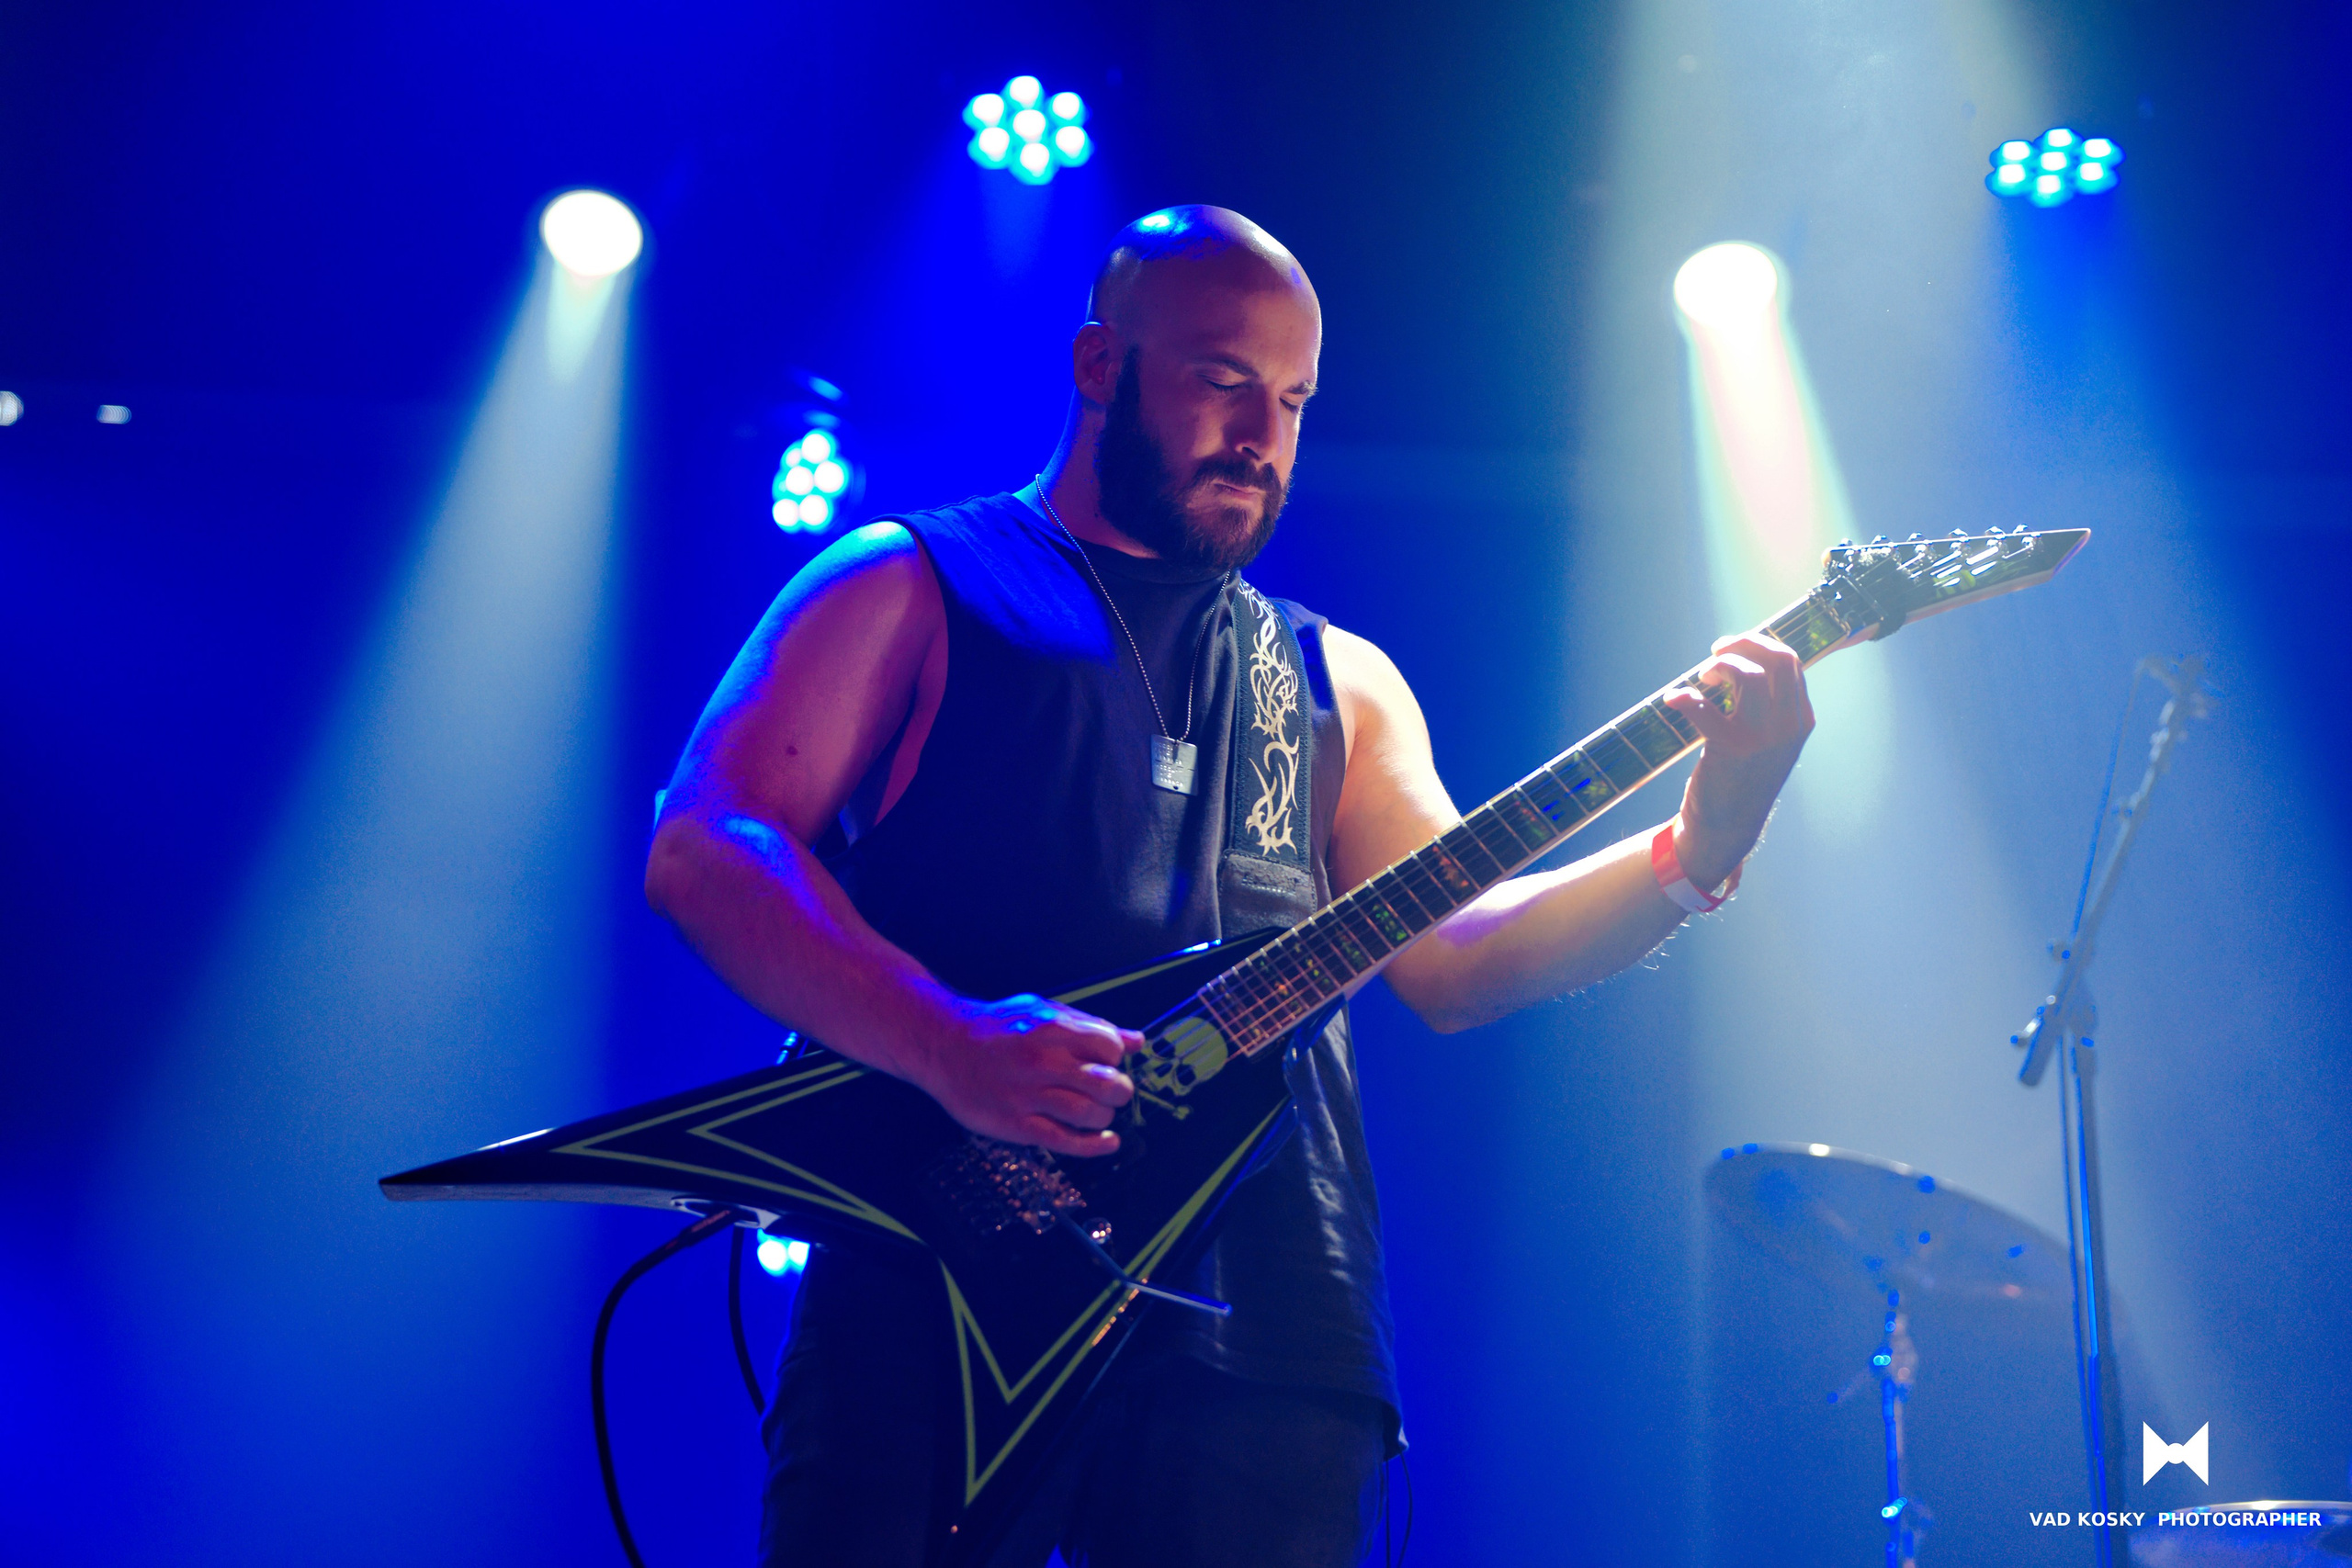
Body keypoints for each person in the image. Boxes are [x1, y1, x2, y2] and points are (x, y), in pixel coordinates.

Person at [643, 205, 1814, 1567]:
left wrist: (1701, 844)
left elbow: (1457, 955)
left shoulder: (1337, 679)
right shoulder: (909, 583)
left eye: (1297, 399)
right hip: (933, 1290)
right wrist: (947, 1045)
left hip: (1270, 1327)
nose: (1264, 435)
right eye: (1223, 380)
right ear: (1100, 365)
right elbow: (708, 843)